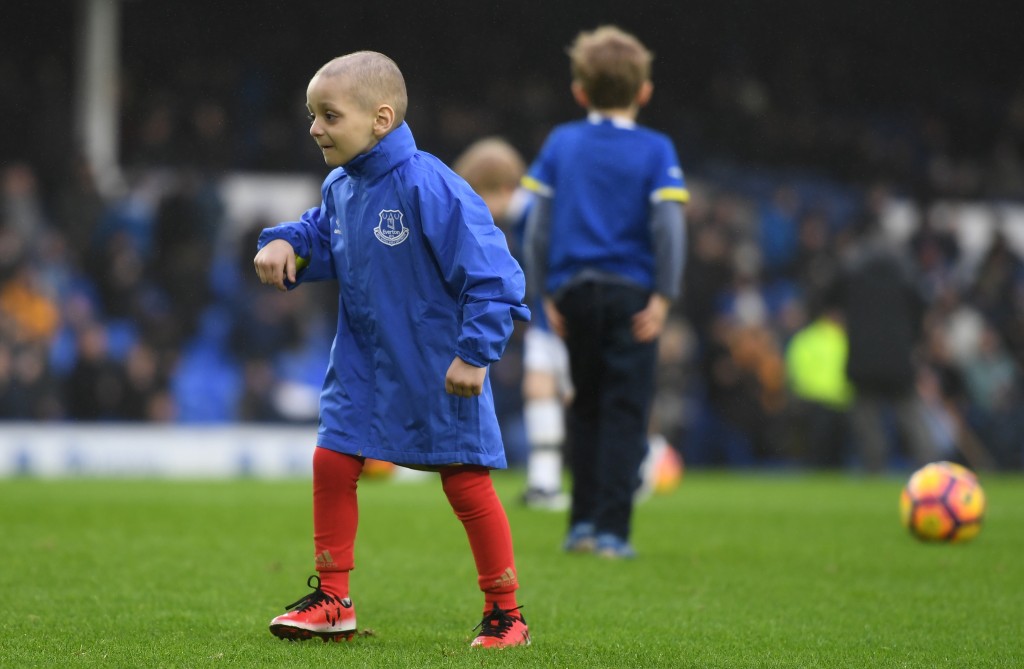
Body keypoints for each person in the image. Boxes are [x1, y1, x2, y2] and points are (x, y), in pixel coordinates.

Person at [252, 51, 531, 648]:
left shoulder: (431, 184)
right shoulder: (340, 184)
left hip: (438, 364)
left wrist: (476, 353)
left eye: (329, 115)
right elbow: (319, 235)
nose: (314, 128)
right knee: (332, 459)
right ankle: (333, 600)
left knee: (464, 481)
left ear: (380, 119)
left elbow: (495, 275)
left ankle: (506, 613)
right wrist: (286, 245)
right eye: (312, 114)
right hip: (360, 363)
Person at [522, 26, 688, 558]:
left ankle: (581, 526)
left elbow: (536, 226)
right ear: (644, 91)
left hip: (571, 291)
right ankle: (614, 530)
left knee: (585, 407)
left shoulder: (561, 143)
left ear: (579, 91)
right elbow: (669, 227)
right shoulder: (656, 148)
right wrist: (664, 295)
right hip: (632, 296)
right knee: (625, 410)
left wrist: (545, 290)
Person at [452, 137, 573, 511]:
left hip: (566, 314)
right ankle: (544, 483)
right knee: (538, 390)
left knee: (577, 398)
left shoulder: (542, 214)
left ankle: (646, 457)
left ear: (504, 189)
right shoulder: (520, 220)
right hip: (545, 316)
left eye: (480, 197)